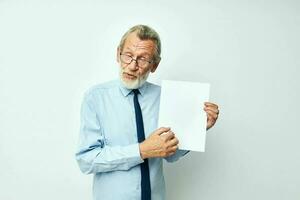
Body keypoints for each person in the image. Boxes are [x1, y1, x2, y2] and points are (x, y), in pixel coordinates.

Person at [75, 24, 219, 200]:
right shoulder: (95, 98)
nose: (132, 66)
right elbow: (87, 160)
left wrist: (197, 127)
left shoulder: (164, 97)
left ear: (155, 65)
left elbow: (171, 156)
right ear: (117, 54)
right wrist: (141, 150)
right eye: (128, 56)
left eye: (143, 59)